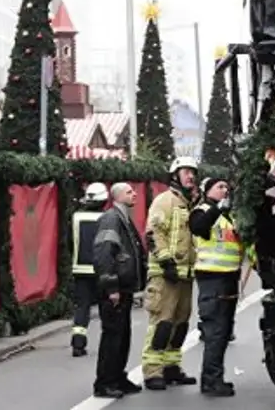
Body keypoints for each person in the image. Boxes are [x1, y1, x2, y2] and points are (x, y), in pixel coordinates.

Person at [189, 176, 256, 397]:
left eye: (227, 187)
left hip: (228, 278)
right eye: (220, 187)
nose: (225, 190)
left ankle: (215, 377)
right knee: (216, 332)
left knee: (224, 331)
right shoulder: (202, 211)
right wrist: (217, 208)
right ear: (207, 190)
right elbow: (199, 228)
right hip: (212, 279)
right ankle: (210, 381)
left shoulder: (227, 217)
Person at [141, 156, 200, 391]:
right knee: (162, 323)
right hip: (165, 275)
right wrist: (166, 262)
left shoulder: (190, 203)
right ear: (175, 175)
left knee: (181, 323)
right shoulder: (164, 201)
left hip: (185, 275)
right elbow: (154, 232)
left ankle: (172, 367)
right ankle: (152, 370)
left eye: (193, 172)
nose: (191, 176)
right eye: (186, 171)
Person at [92, 183, 145, 398]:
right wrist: (111, 287)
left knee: (123, 335)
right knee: (113, 336)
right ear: (117, 196)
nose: (134, 194)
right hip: (115, 290)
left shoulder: (123, 217)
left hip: (124, 289)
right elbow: (104, 254)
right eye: (129, 192)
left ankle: (118, 377)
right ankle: (104, 382)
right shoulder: (112, 219)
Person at [70, 182, 108, 358]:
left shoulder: (76, 217)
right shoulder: (108, 218)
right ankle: (107, 344)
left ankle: (78, 343)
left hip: (80, 269)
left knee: (82, 307)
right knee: (106, 307)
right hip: (102, 270)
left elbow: (70, 243)